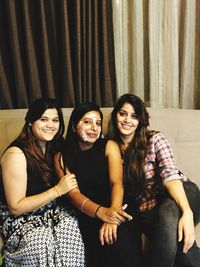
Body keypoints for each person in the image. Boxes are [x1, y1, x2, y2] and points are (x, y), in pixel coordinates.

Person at [108, 93, 200, 267]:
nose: (127, 120)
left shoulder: (154, 139)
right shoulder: (110, 149)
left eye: (134, 116)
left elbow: (170, 176)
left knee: (167, 209)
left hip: (183, 192)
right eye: (123, 114)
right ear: (115, 116)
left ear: (140, 120)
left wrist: (187, 212)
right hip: (149, 208)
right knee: (183, 253)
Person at [55, 102, 144, 267]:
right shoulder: (62, 156)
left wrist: (112, 216)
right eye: (87, 121)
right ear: (74, 126)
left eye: (98, 123)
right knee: (101, 242)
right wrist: (99, 212)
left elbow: (116, 182)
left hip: (116, 204)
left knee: (120, 236)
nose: (94, 127)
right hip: (86, 211)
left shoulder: (109, 146)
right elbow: (73, 194)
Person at [0, 97, 86, 266]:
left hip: (52, 211)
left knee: (69, 227)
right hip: (20, 218)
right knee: (42, 240)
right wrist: (57, 190)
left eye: (55, 120)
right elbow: (15, 207)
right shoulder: (16, 154)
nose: (50, 125)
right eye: (43, 119)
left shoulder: (56, 146)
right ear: (31, 122)